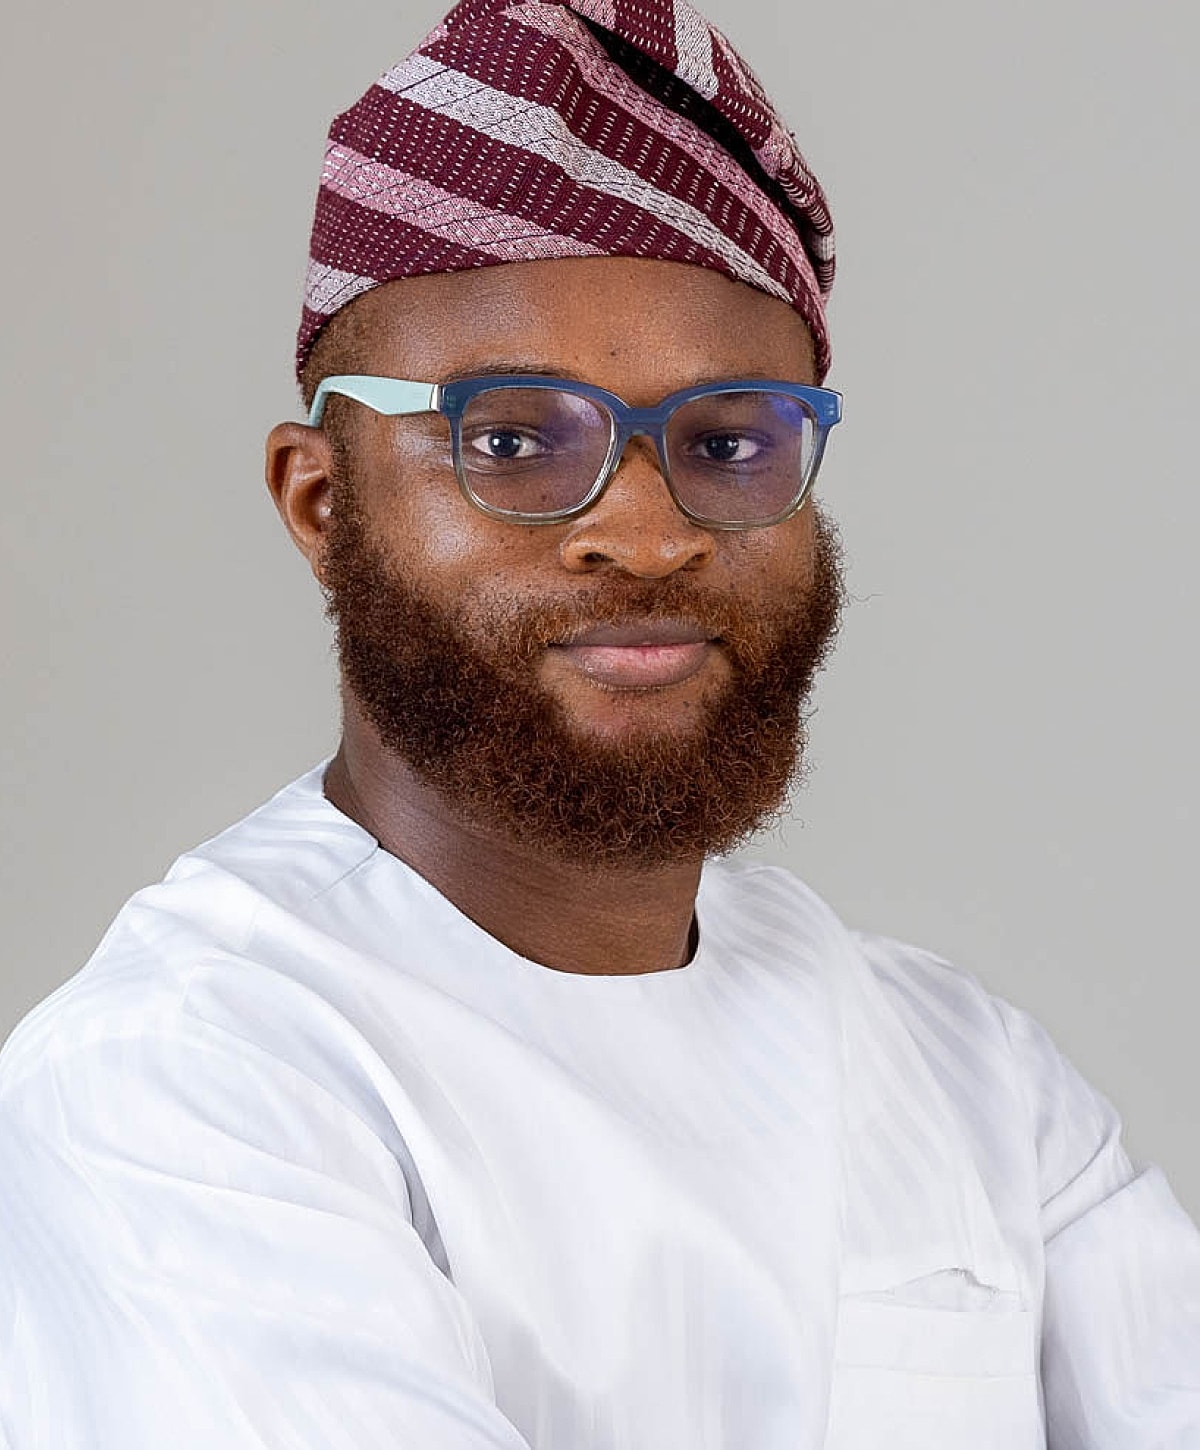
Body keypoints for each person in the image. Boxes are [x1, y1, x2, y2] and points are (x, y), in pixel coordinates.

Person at [1, 0, 1197, 1444]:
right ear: (321, 501)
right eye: (511, 440)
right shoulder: (192, 1077)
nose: (646, 533)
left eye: (728, 441)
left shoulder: (966, 1073)